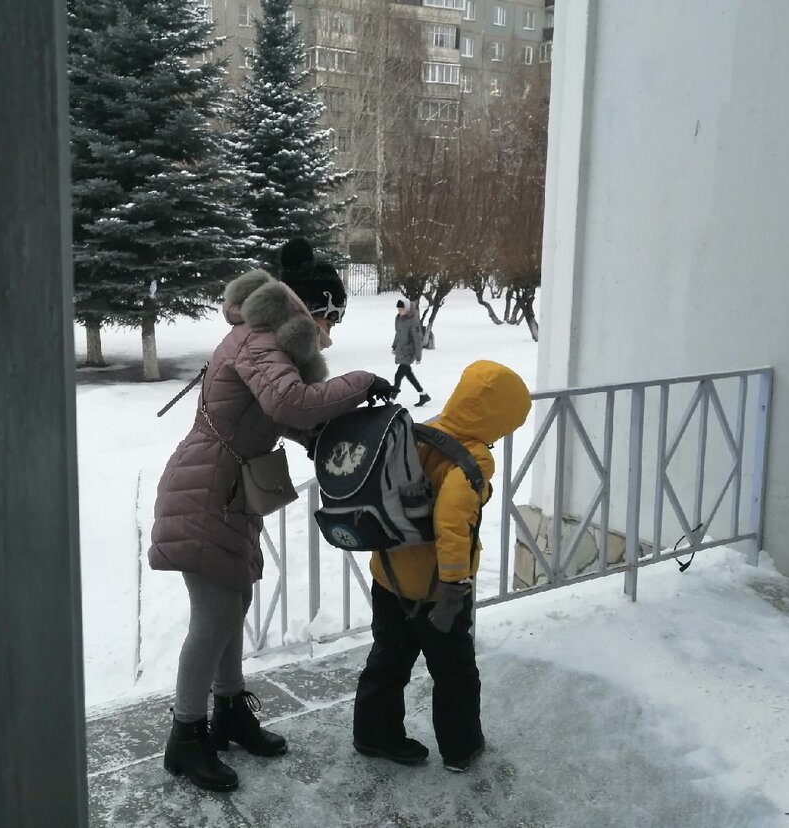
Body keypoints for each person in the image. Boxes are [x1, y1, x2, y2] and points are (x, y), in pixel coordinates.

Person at [150, 237, 398, 793]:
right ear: (309, 309)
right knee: (214, 616)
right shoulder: (260, 340)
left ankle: (229, 711)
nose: (330, 332)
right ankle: (186, 736)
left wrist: (319, 435)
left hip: (227, 487)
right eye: (331, 318)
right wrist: (361, 382)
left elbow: (272, 413)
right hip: (206, 488)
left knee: (233, 604)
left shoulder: (261, 341)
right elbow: (289, 402)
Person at [352, 360, 532, 772]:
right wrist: (453, 586)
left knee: (388, 660)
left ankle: (373, 734)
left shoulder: (419, 433)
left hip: (388, 575)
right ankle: (461, 747)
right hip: (436, 591)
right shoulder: (473, 459)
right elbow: (452, 523)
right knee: (455, 672)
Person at [391, 299, 430, 407]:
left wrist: (418, 356)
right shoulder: (398, 318)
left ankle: (391, 400)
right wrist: (394, 345)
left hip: (409, 352)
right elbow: (398, 333)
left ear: (407, 309)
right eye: (398, 309)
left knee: (398, 376)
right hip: (401, 350)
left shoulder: (413, 320)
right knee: (409, 375)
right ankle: (423, 395)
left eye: (402, 309)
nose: (400, 311)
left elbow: (418, 340)